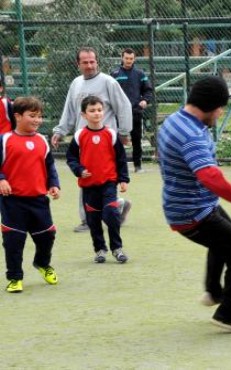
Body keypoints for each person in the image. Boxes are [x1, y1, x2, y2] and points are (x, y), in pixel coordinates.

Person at [157, 76, 231, 333]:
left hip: (192, 204)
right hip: (193, 212)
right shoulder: (192, 136)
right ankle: (228, 315)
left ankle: (213, 291)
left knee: (224, 240)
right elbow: (210, 177)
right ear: (211, 106)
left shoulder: (173, 121)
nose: (220, 113)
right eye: (220, 108)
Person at [51, 46, 133, 233]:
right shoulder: (76, 84)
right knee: (88, 176)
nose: (89, 65)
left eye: (92, 61)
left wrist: (124, 132)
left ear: (97, 62)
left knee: (93, 176)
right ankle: (118, 205)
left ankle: (88, 220)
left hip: (105, 141)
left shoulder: (108, 82)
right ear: (77, 64)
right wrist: (60, 131)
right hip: (84, 141)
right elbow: (70, 111)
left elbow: (124, 106)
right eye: (85, 62)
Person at [0, 97, 60, 293]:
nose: (37, 120)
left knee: (47, 235)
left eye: (40, 116)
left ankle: (42, 263)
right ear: (17, 116)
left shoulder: (42, 140)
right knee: (13, 241)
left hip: (39, 200)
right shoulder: (5, 139)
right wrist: (2, 179)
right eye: (32, 116)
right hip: (13, 202)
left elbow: (49, 165)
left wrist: (53, 184)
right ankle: (15, 277)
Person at [66, 96, 130, 264]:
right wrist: (79, 170)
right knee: (93, 220)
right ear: (84, 115)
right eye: (92, 111)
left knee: (110, 214)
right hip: (89, 186)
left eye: (99, 110)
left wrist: (123, 179)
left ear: (104, 112)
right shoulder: (80, 135)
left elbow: (121, 159)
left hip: (108, 183)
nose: (96, 113)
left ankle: (117, 248)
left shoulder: (111, 134)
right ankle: (100, 249)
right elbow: (71, 157)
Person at [111, 48, 154, 173]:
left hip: (135, 111)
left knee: (136, 139)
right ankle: (117, 166)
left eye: (131, 58)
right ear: (122, 58)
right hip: (118, 113)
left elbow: (148, 90)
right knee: (116, 140)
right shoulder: (114, 74)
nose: (128, 61)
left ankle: (137, 166)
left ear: (134, 59)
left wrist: (145, 100)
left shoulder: (140, 74)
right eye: (126, 58)